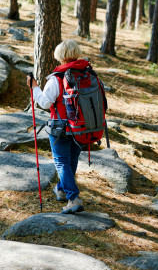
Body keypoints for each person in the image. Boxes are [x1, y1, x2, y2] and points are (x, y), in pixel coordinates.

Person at [27, 39, 93, 214]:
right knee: (70, 161)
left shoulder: (57, 78)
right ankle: (62, 190)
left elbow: (45, 103)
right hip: (83, 128)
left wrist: (34, 88)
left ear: (60, 56)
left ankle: (73, 198)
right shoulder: (87, 75)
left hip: (61, 127)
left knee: (62, 162)